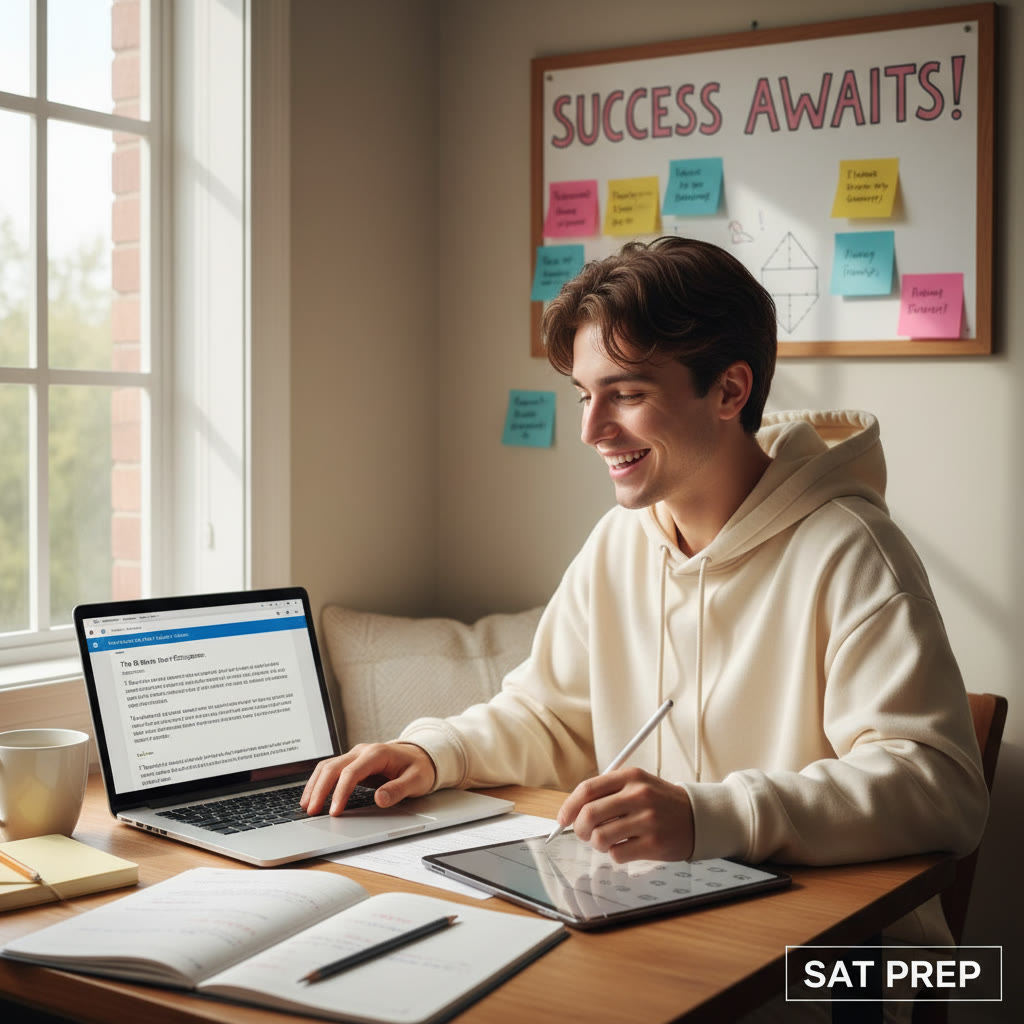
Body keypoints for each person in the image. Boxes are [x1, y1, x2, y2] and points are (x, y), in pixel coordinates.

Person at [302, 236, 987, 949]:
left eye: (626, 394)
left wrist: (710, 817)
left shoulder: (851, 550)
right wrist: (434, 753)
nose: (591, 429)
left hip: (831, 966)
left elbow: (941, 788)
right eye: (584, 395)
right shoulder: (620, 541)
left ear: (730, 390)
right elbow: (551, 717)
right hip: (657, 924)